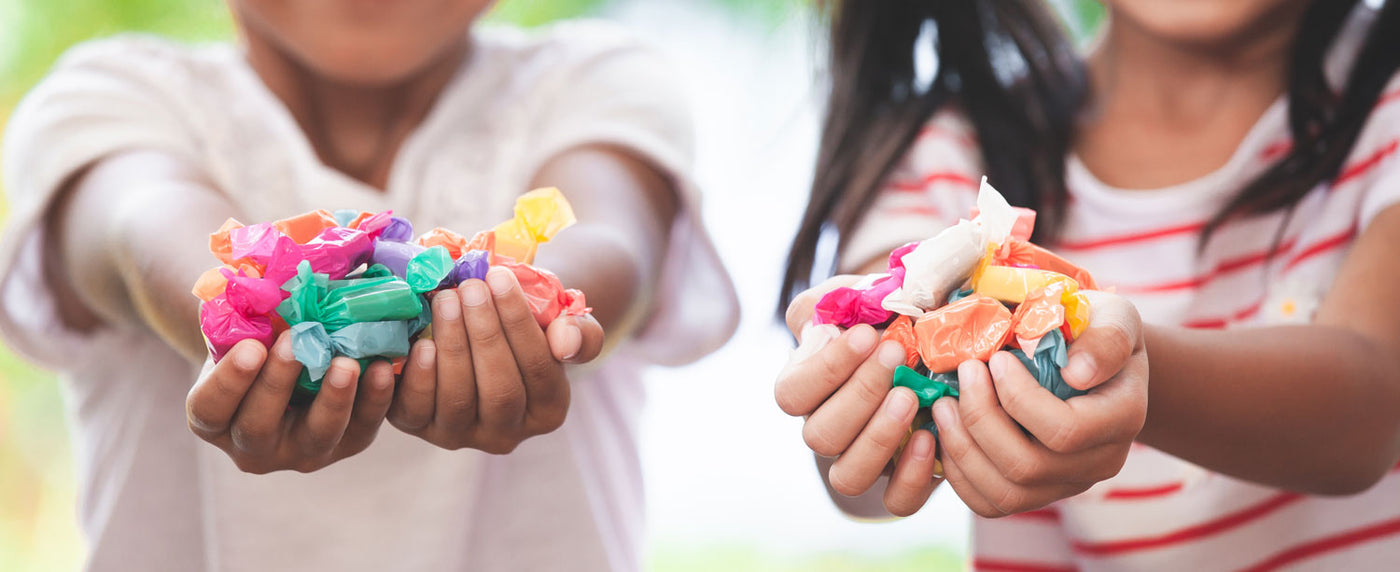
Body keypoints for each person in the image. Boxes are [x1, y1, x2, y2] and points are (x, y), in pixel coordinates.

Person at [0, 1, 738, 570]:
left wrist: (532, 312)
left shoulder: (596, 83)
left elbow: (606, 242)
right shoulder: (111, 95)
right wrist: (245, 312)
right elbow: (139, 224)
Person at [776, 0, 1400, 569]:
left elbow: (1372, 407)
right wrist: (857, 383)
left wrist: (1133, 366)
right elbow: (863, 468)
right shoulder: (949, 153)